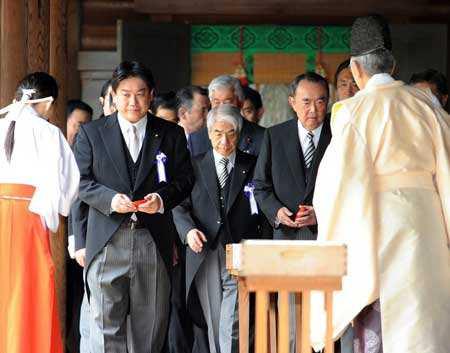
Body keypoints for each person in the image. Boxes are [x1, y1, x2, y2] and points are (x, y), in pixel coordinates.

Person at [310, 15, 450, 353]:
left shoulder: (353, 111)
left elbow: (334, 190)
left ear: (356, 71)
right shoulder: (427, 105)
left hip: (380, 228)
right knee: (425, 323)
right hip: (427, 226)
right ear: (395, 65)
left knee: (381, 321)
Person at [74, 61, 194, 353]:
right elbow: (80, 182)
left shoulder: (170, 133)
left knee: (149, 328)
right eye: (125, 94)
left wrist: (162, 200)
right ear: (113, 96)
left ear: (151, 95)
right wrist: (108, 199)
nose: (133, 101)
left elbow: (185, 179)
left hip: (151, 240)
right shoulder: (92, 133)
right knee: (105, 329)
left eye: (140, 94)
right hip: (106, 241)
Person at [173, 104, 265, 353]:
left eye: (231, 133)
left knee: (232, 321)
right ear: (208, 132)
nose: (224, 141)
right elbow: (178, 206)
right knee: (214, 321)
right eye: (217, 133)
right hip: (205, 253)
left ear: (239, 132)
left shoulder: (254, 164)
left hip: (240, 250)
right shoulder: (193, 166)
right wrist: (188, 231)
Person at [0, 72, 79, 353]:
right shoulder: (48, 132)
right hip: (26, 215)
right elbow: (66, 182)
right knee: (28, 289)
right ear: (47, 104)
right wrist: (53, 210)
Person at [65, 99, 92, 353]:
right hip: (59, 238)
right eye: (77, 124)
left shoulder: (86, 152)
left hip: (81, 242)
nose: (81, 131)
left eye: (86, 126)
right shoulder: (57, 150)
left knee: (77, 300)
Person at [189, 75, 265, 157]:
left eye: (227, 102)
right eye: (217, 102)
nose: (222, 107)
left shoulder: (263, 137)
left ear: (241, 103)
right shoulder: (196, 139)